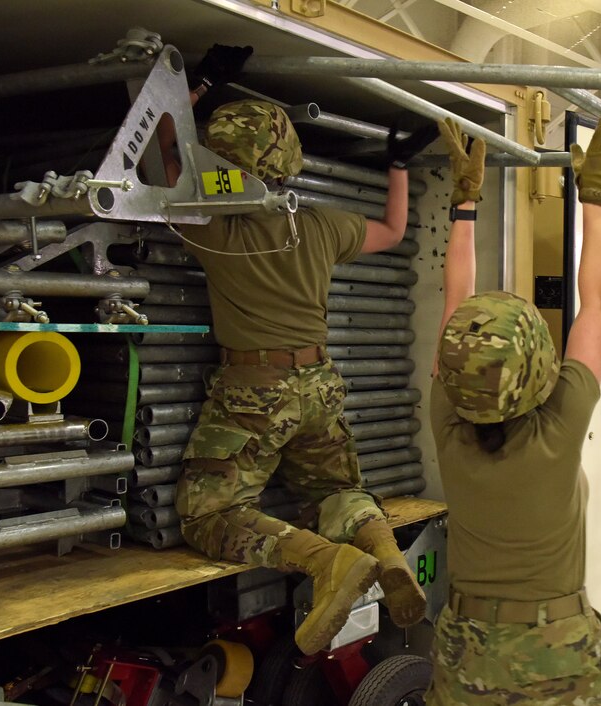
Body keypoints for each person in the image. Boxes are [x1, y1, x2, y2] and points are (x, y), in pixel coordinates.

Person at [166, 45, 439, 656]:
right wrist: (396, 163)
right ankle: (386, 555)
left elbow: (158, 163)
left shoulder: (211, 225)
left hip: (254, 393)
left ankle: (329, 565)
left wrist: (199, 87)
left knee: (209, 515)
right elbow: (394, 231)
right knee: (335, 493)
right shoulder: (319, 224)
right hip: (319, 384)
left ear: (220, 162)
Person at [423, 116, 601, 705]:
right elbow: (598, 305)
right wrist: (595, 200)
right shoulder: (559, 430)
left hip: (468, 649)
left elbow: (454, 299)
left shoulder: (449, 420)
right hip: (556, 651)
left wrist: (464, 206)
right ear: (539, 368)